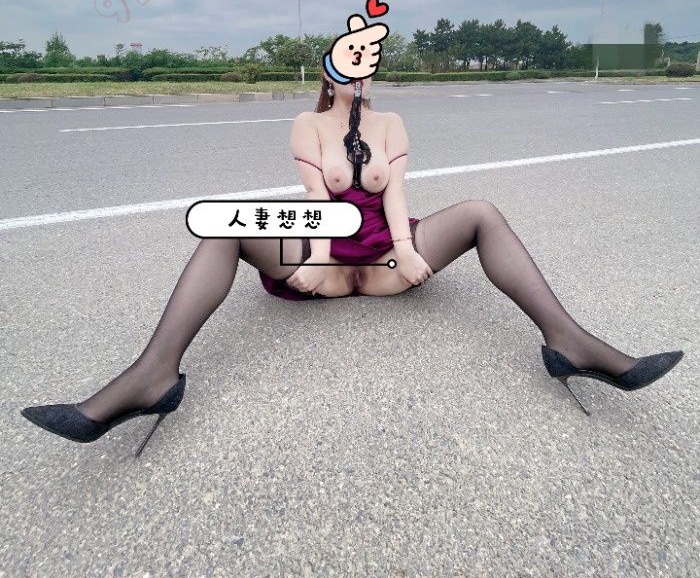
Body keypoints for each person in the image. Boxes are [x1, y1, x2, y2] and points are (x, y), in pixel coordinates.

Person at [21, 62, 684, 453]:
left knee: (482, 210)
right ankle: (152, 375)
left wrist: (407, 249)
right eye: (350, 63)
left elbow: (396, 194)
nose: (361, 74)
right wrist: (313, 256)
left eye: (368, 62)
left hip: (388, 261)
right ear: (329, 74)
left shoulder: (390, 124)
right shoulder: (308, 126)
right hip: (328, 261)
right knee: (221, 227)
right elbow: (318, 199)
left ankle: (570, 343)